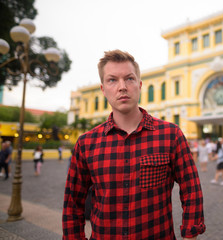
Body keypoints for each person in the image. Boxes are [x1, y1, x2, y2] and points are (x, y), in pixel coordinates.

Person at [62, 50, 205, 239]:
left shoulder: (171, 135)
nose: (122, 87)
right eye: (112, 80)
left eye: (129, 79)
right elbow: (73, 204)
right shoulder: (86, 143)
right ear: (103, 89)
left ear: (139, 84)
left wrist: (190, 233)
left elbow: (191, 187)